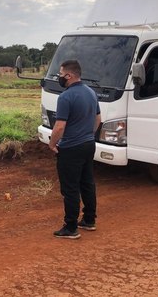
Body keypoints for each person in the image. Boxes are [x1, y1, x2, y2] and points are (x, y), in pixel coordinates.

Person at [48, 60, 101, 239]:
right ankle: (89, 220)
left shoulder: (66, 97)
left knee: (70, 188)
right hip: (88, 144)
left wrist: (52, 144)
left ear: (69, 76)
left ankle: (71, 227)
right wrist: (88, 134)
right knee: (87, 183)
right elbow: (98, 119)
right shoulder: (91, 93)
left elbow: (60, 127)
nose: (59, 77)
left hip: (71, 148)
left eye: (60, 74)